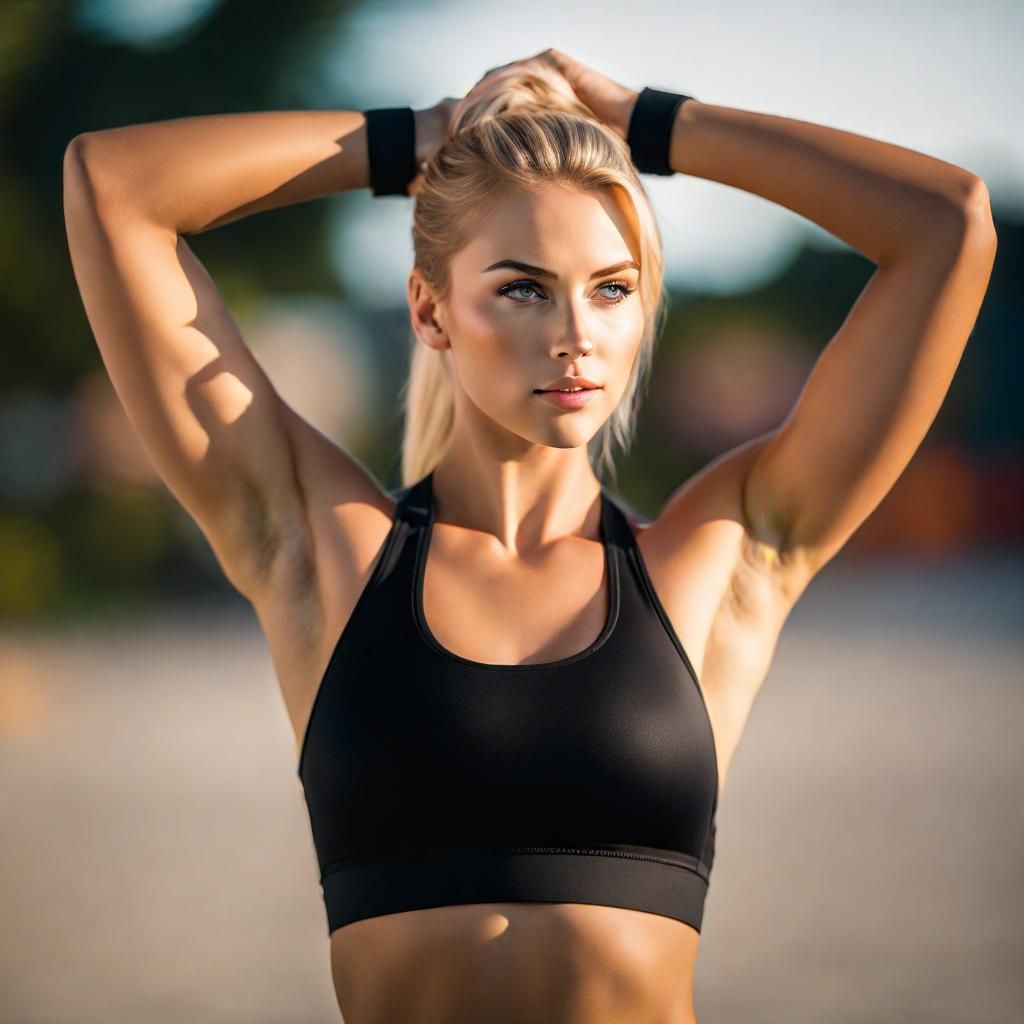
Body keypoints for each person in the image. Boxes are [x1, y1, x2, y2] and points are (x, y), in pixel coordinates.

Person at [62, 46, 996, 1024]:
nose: (576, 335)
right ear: (430, 308)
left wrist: (644, 123)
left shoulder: (723, 555)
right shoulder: (321, 549)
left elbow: (946, 224)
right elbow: (113, 187)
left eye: (612, 288)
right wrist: (423, 139)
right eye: (522, 287)